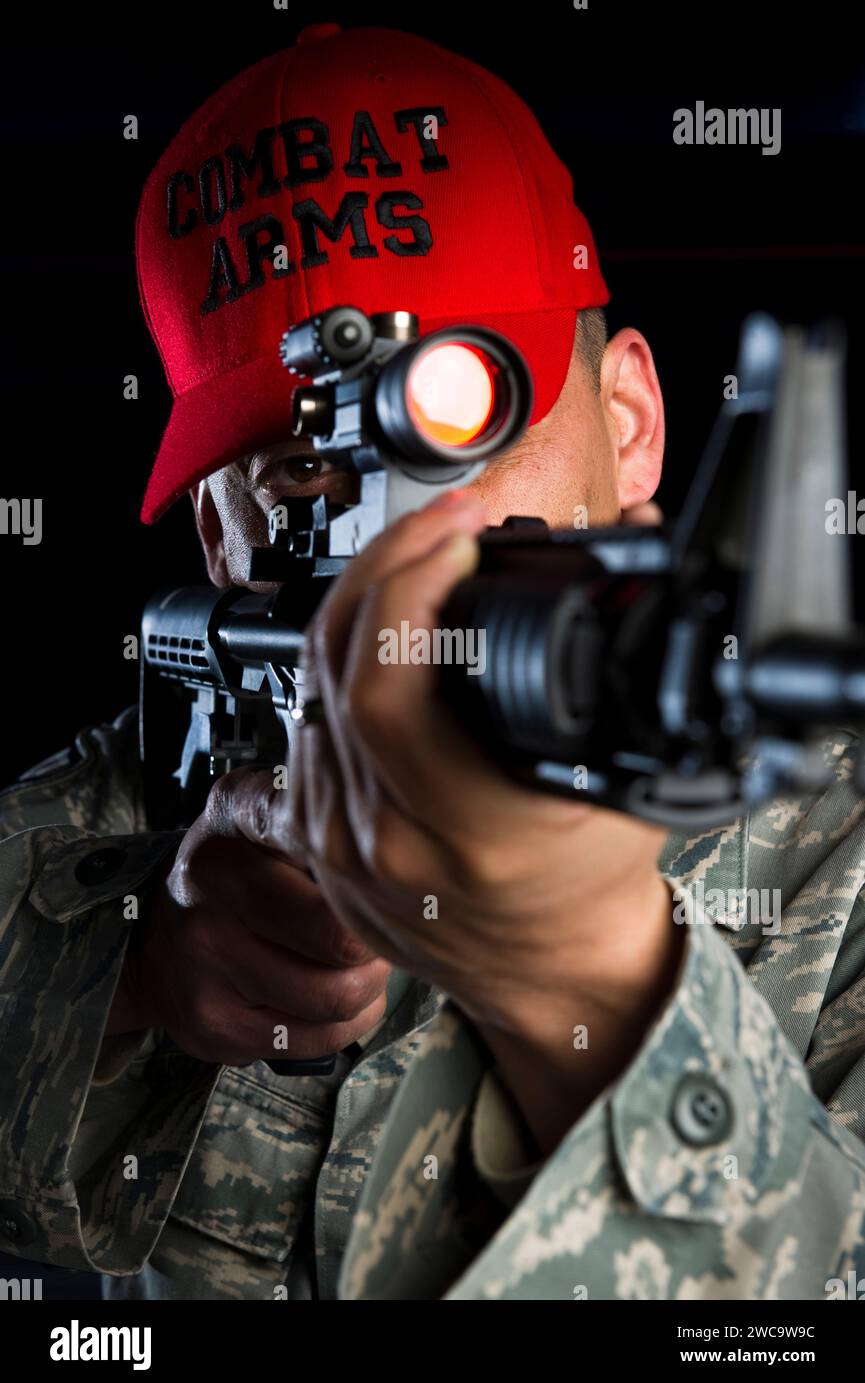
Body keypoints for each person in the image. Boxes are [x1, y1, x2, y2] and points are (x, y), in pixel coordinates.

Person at [0, 23, 863, 1302]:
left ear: (628, 429)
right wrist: (138, 982)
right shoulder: (109, 820)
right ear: (223, 539)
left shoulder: (835, 856)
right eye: (300, 471)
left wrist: (595, 985)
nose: (408, 537)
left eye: (472, 432)